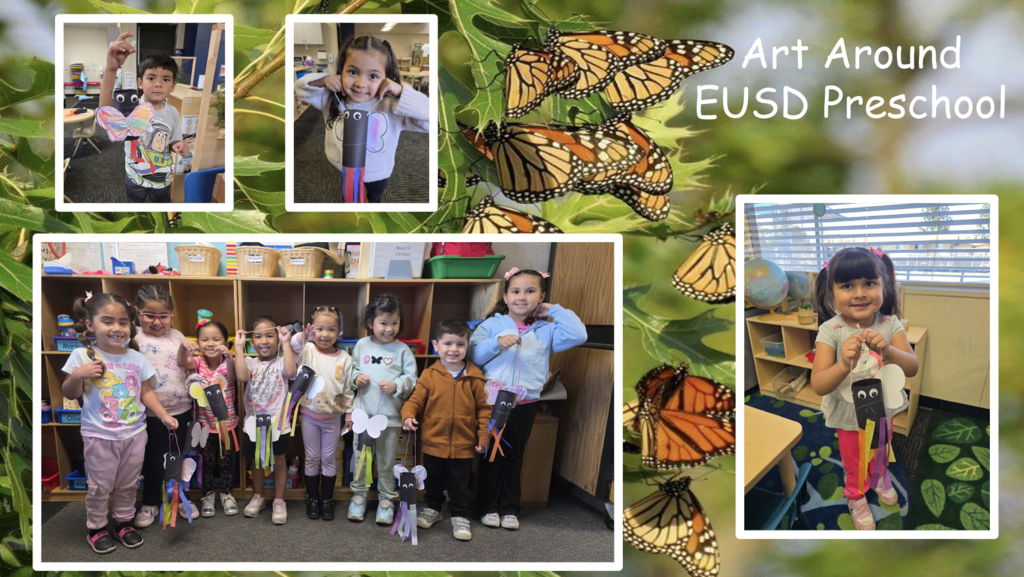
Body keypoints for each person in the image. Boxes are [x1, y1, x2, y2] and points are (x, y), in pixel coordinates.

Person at [810, 247, 919, 531]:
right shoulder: (830, 331)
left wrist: (891, 352)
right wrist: (844, 364)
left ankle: (880, 477)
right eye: (847, 285)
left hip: (883, 404)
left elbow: (912, 367)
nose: (859, 293)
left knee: (882, 446)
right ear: (831, 292)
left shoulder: (890, 324)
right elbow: (819, 384)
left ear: (883, 285)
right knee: (855, 458)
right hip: (849, 413)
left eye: (869, 283)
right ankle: (855, 495)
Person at [469, 268, 587, 530]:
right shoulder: (491, 325)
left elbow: (579, 335)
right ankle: (487, 507)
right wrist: (497, 342)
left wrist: (554, 310)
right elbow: (473, 354)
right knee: (490, 455)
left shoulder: (546, 330)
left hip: (525, 404)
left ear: (541, 296)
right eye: (516, 291)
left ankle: (509, 508)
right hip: (493, 403)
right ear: (506, 295)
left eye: (530, 291)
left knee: (514, 455)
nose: (522, 297)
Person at [62, 293, 179, 553]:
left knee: (129, 482)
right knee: (100, 485)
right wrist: (79, 376)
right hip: (99, 436)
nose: (117, 328)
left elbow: (146, 392)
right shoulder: (81, 355)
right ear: (90, 325)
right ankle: (97, 528)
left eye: (123, 322)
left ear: (130, 326)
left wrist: (163, 415)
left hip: (135, 434)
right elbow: (69, 393)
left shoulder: (136, 359)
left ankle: (124, 523)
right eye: (107, 321)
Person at [294, 35, 429, 202]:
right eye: (352, 72)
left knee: (375, 198)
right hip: (343, 166)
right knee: (349, 197)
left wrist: (402, 92)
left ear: (386, 78)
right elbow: (301, 88)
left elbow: (429, 119)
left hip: (379, 171)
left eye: (373, 76)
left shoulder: (392, 106)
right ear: (340, 71)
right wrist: (324, 80)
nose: (360, 83)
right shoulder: (331, 99)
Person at [402, 318, 489, 541]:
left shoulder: (475, 377)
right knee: (433, 480)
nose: (454, 349)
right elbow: (415, 401)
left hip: (463, 445)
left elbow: (484, 409)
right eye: (448, 343)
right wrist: (408, 415)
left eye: (460, 344)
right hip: (433, 442)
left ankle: (460, 515)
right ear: (436, 345)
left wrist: (482, 436)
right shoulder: (429, 375)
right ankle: (433, 509)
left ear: (467, 346)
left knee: (460, 483)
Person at [348, 294, 417, 524]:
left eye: (394, 323)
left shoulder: (403, 350)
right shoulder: (361, 345)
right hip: (364, 417)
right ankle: (359, 497)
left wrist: (397, 385)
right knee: (361, 458)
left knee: (387, 461)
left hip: (390, 419)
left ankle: (386, 500)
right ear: (370, 323)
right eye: (383, 323)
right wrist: (357, 378)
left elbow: (412, 380)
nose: (389, 329)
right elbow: (352, 370)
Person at [131, 285, 197, 527]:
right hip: (150, 414)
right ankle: (150, 502)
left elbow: (188, 366)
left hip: (182, 410)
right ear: (138, 312)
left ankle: (178, 498)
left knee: (178, 458)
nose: (157, 322)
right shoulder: (132, 339)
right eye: (150, 315)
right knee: (152, 460)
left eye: (164, 316)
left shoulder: (178, 336)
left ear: (171, 314)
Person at [98, 32, 188, 203]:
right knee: (135, 214)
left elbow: (174, 141)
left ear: (173, 86)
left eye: (166, 79)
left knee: (162, 217)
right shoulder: (132, 108)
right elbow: (106, 114)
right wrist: (111, 69)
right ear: (140, 82)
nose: (158, 83)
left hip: (162, 180)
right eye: (151, 78)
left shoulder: (173, 112)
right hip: (134, 178)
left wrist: (180, 145)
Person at [290, 306, 354, 521]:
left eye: (331, 329)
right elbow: (293, 346)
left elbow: (347, 390)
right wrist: (303, 336)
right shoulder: (307, 349)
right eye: (319, 329)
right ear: (312, 330)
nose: (325, 334)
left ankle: (326, 499)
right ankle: (312, 498)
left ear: (339, 332)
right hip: (309, 416)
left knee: (328, 458)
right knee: (312, 457)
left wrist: (349, 415)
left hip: (333, 419)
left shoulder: (345, 358)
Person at [234, 317, 297, 524]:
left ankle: (279, 500)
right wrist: (239, 348)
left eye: (270, 335)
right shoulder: (250, 362)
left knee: (280, 461)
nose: (265, 340)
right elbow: (242, 377)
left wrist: (287, 342)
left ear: (277, 340)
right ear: (252, 342)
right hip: (254, 424)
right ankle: (259, 496)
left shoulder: (281, 362)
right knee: (257, 462)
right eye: (259, 336)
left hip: (279, 424)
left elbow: (291, 372)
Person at [179, 319, 238, 517]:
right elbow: (182, 362)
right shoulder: (198, 363)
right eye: (204, 339)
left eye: (216, 339)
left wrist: (229, 356)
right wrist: (182, 346)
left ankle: (227, 494)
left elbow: (233, 375)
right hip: (204, 427)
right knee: (208, 463)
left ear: (225, 342)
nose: (210, 343)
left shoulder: (229, 362)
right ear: (198, 342)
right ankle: (207, 495)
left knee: (226, 463)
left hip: (227, 426)